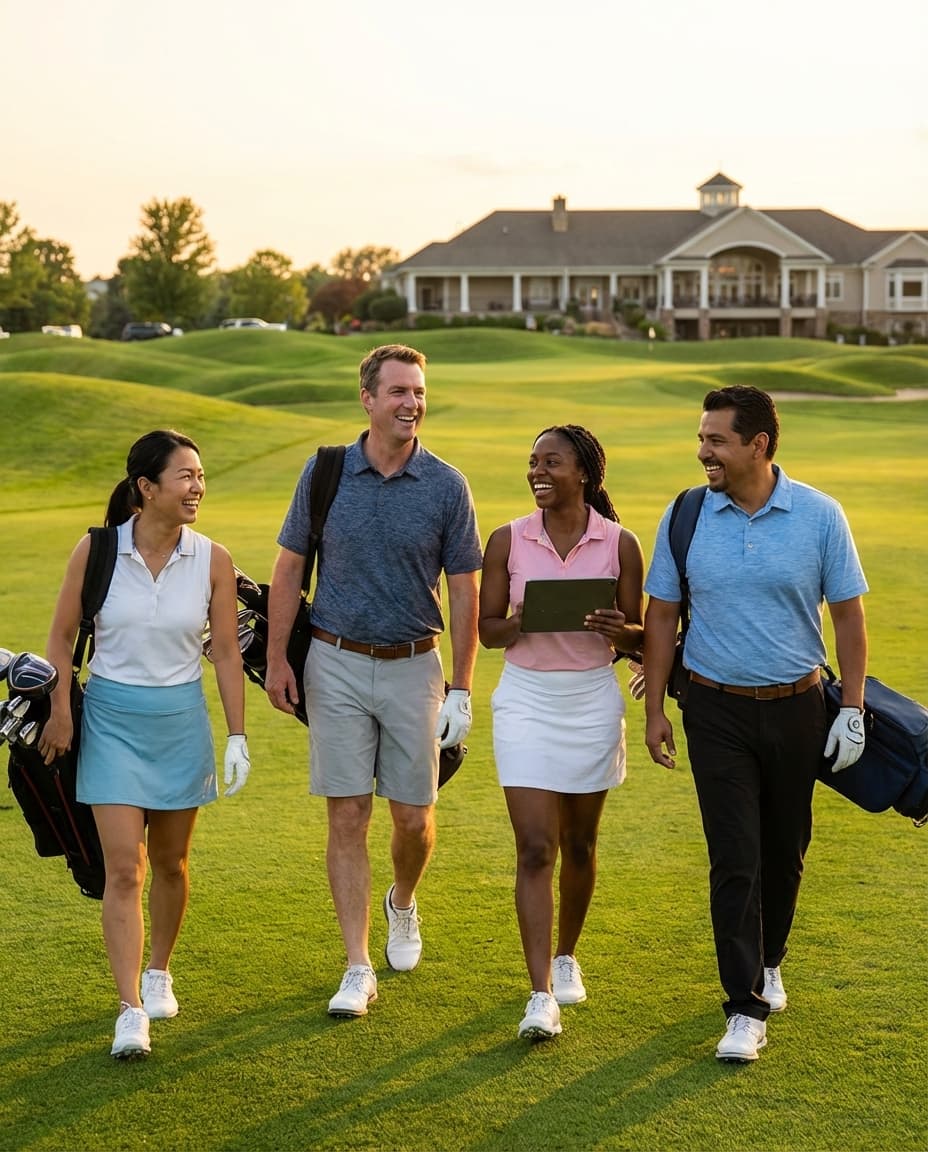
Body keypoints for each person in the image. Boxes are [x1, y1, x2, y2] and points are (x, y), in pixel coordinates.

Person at [642, 386, 868, 1063]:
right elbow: (659, 615)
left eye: (716, 439)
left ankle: (771, 960)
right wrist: (655, 706)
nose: (703, 450)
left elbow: (850, 617)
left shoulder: (820, 515)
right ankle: (744, 1006)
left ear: (759, 445)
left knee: (784, 848)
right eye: (702, 436)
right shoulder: (685, 514)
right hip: (714, 709)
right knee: (735, 856)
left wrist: (851, 709)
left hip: (800, 707)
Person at [266, 344, 482, 1018]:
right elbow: (288, 568)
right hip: (332, 660)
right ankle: (357, 965)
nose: (411, 403)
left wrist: (463, 688)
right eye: (398, 392)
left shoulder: (447, 485)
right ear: (367, 398)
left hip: (416, 663)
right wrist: (277, 658)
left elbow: (467, 593)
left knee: (414, 817)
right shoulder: (327, 471)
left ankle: (403, 902)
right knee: (348, 812)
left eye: (418, 391)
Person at [40, 430, 250, 1060]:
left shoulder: (212, 557)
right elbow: (61, 635)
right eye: (184, 476)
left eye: (201, 476)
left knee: (170, 863)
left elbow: (228, 652)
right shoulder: (97, 549)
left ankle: (160, 969)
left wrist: (238, 734)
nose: (197, 488)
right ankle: (130, 1007)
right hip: (110, 720)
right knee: (124, 869)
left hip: (180, 722)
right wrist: (59, 710)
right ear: (146, 487)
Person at [478, 425, 644, 1040]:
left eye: (552, 461)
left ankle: (568, 953)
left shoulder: (621, 543)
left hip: (591, 702)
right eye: (532, 462)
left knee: (579, 845)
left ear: (584, 473)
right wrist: (520, 620)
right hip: (526, 700)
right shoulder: (506, 539)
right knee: (536, 848)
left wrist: (615, 629)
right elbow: (488, 631)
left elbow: (640, 636)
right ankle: (540, 991)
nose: (537, 471)